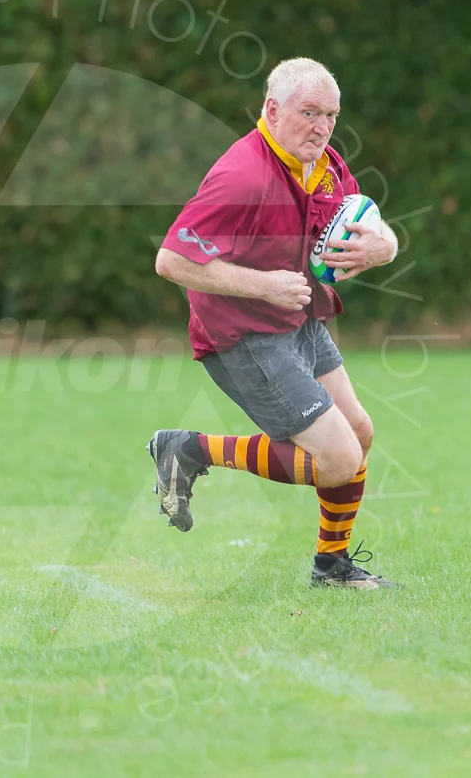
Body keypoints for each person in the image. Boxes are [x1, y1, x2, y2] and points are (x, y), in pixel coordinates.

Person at [147, 57, 402, 590]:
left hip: (300, 318)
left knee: (359, 434)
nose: (322, 127)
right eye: (309, 112)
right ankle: (190, 449)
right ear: (272, 109)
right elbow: (171, 260)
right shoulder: (241, 175)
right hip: (243, 336)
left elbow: (367, 222)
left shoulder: (324, 164)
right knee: (336, 460)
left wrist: (384, 246)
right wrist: (263, 285)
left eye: (330, 115)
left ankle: (331, 568)